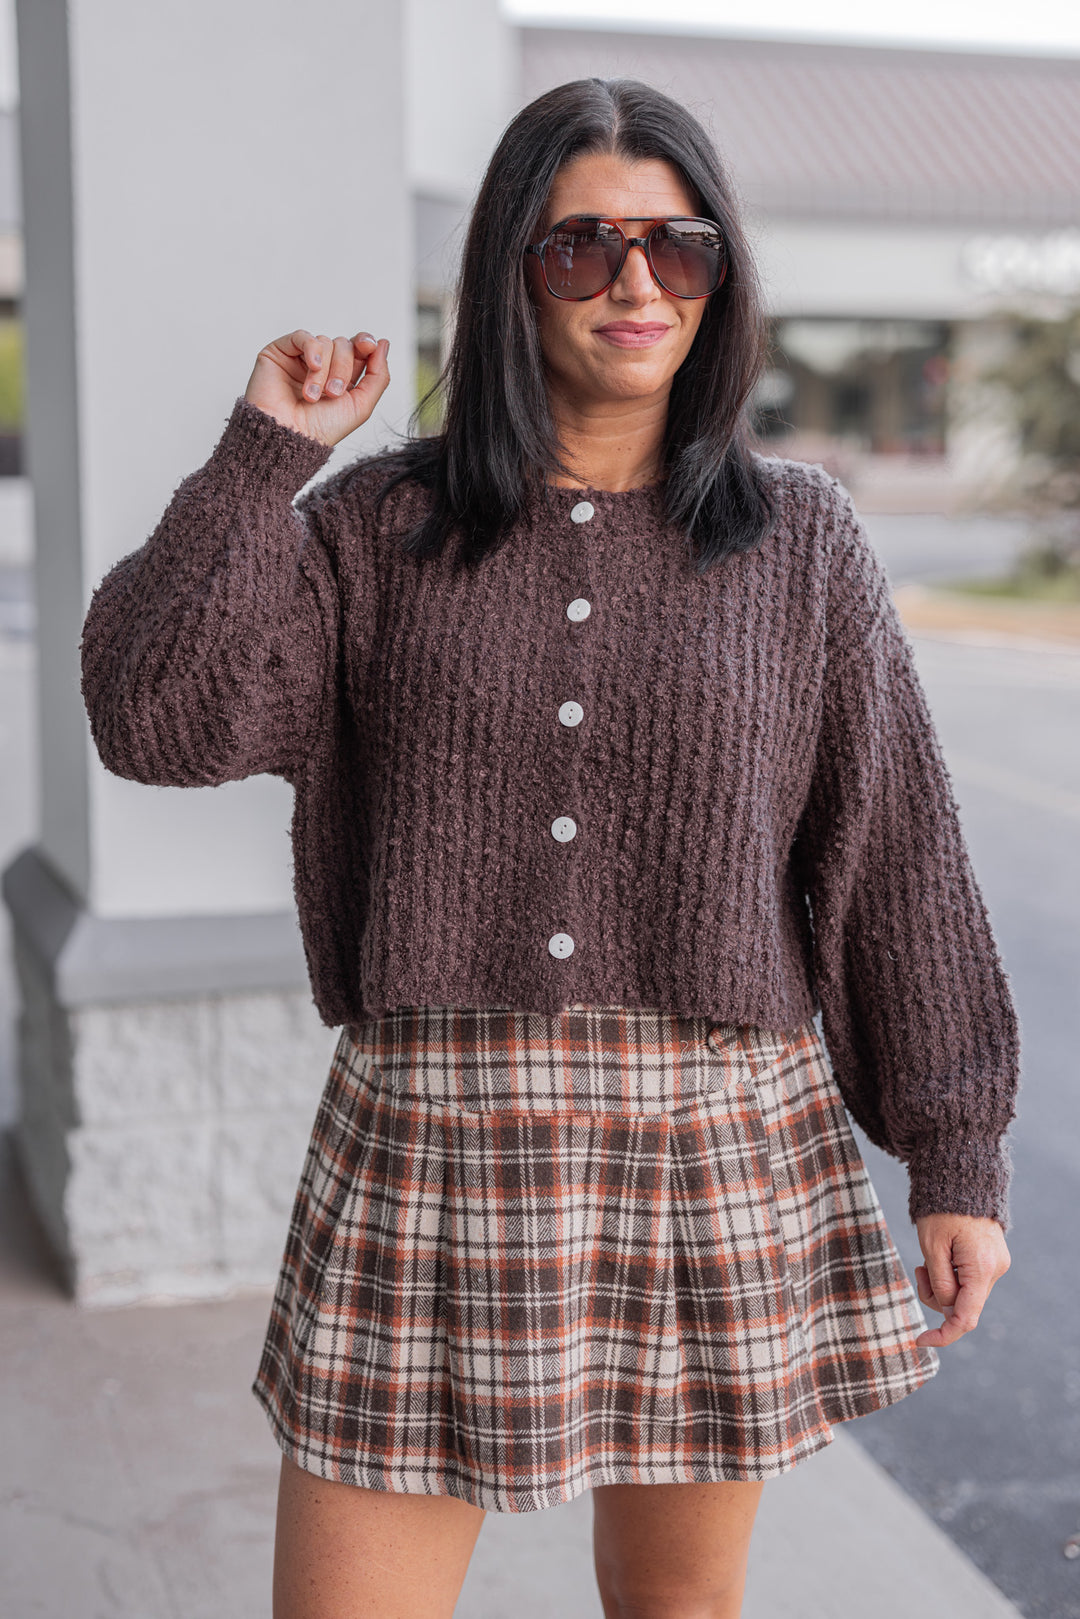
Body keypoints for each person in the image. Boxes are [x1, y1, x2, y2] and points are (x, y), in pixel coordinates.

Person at [79, 77, 1019, 1619]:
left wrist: (955, 1155)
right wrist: (263, 455)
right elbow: (155, 718)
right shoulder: (376, 530)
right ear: (513, 271)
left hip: (708, 1151)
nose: (637, 284)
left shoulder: (801, 542)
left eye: (679, 247)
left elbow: (896, 854)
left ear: (724, 279)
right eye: (583, 247)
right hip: (434, 1144)